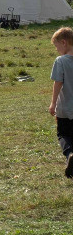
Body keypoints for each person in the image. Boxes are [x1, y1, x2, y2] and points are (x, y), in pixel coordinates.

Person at [49, 27, 73, 177]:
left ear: (63, 42)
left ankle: (70, 154)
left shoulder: (61, 61)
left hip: (65, 108)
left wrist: (53, 103)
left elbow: (58, 83)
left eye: (57, 46)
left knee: (63, 135)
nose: (57, 50)